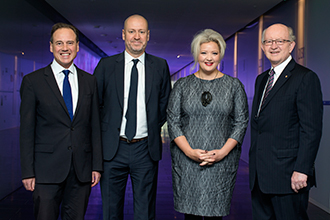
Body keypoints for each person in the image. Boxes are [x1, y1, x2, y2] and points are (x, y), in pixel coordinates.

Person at [20, 23, 103, 220]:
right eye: (59, 43)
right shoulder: (33, 81)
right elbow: (26, 130)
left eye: (69, 43)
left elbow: (95, 126)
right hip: (45, 171)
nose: (64, 48)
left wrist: (96, 166)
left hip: (81, 171)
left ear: (77, 47)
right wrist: (27, 171)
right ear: (51, 47)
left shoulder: (89, 81)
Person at [93, 14, 171, 220]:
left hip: (145, 150)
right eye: (132, 31)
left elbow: (164, 104)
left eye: (141, 31)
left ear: (148, 36)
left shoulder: (160, 66)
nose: (137, 36)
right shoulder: (106, 66)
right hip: (112, 150)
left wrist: (149, 128)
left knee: (145, 212)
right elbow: (95, 105)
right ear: (123, 35)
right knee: (110, 211)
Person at [167, 29, 249, 220]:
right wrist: (189, 152)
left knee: (215, 215)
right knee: (191, 215)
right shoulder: (182, 85)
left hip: (221, 162)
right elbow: (173, 121)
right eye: (204, 52)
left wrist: (221, 153)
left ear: (220, 54)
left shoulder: (234, 86)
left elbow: (241, 122)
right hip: (188, 162)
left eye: (214, 52)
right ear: (197, 54)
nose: (209, 58)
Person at [249, 23, 323, 220]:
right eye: (268, 42)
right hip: (260, 176)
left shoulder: (305, 78)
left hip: (289, 176)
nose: (273, 46)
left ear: (291, 46)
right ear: (263, 47)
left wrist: (302, 169)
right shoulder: (261, 79)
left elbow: (311, 130)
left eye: (279, 41)